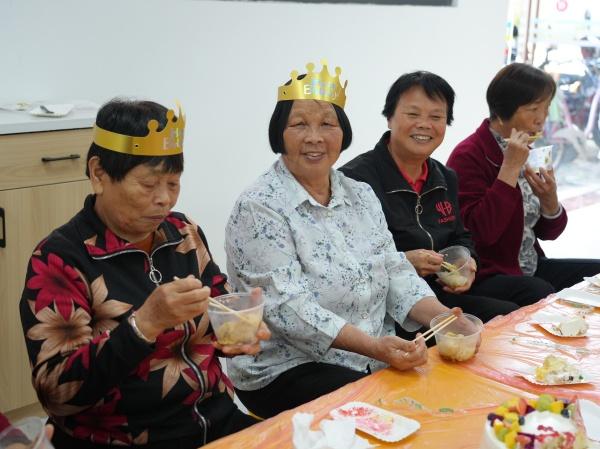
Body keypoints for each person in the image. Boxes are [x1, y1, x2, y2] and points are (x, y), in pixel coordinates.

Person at [224, 61, 472, 419]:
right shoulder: (259, 207)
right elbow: (288, 310)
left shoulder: (361, 194)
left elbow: (395, 271)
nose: (315, 137)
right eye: (299, 124)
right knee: (386, 415)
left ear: (343, 133)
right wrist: (375, 347)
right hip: (287, 367)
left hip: (372, 353)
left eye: (327, 124)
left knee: (450, 387)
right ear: (279, 133)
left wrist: (442, 318)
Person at [19, 99, 269, 449]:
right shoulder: (59, 259)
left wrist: (238, 329)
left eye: (173, 183)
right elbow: (58, 392)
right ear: (99, 174)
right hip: (122, 438)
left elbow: (217, 310)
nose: (164, 199)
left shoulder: (183, 233)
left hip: (214, 421)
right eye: (148, 185)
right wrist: (144, 325)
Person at [340, 71, 545, 324]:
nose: (424, 124)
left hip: (442, 289)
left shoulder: (444, 176)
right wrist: (405, 261)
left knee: (532, 296)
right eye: (413, 114)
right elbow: (348, 263)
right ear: (389, 118)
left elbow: (462, 236)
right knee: (501, 317)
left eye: (436, 117)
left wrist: (468, 262)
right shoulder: (356, 180)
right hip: (391, 302)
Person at [447, 63, 600, 293]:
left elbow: (550, 233)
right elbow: (480, 235)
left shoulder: (529, 151)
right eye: (533, 109)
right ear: (502, 111)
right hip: (486, 273)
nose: (541, 119)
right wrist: (509, 168)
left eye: (546, 109)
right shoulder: (469, 155)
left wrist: (550, 201)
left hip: (529, 267)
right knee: (540, 290)